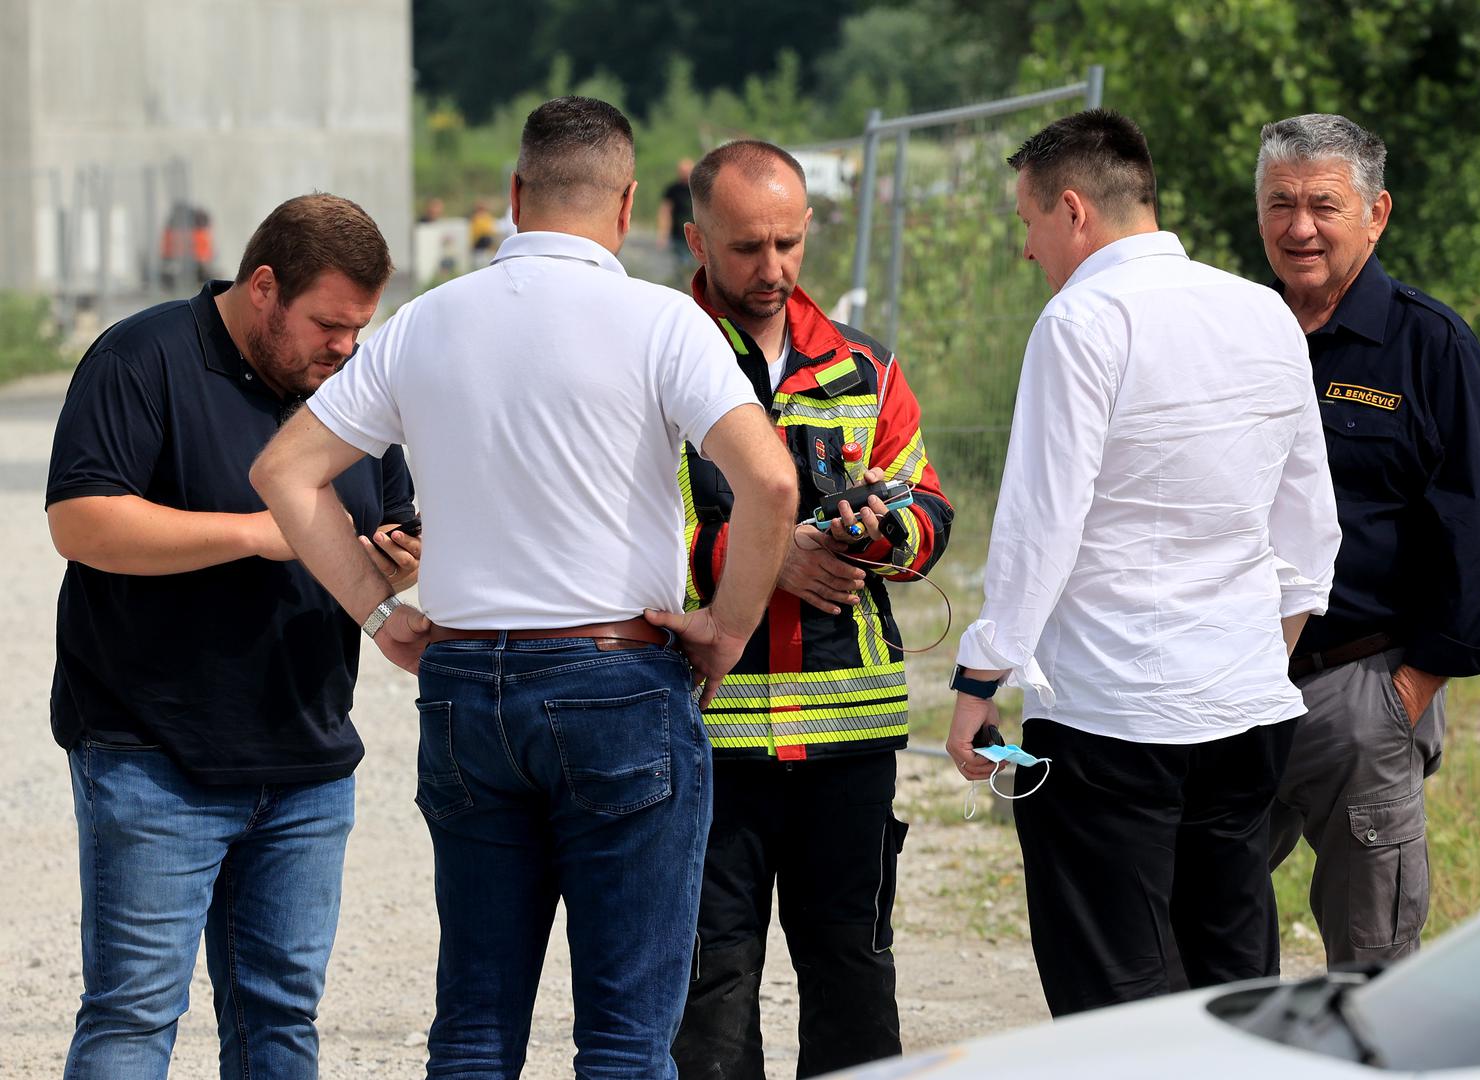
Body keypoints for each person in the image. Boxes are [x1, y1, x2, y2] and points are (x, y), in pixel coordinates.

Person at [250, 97, 798, 1078]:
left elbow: (284, 473)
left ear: (513, 195)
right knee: (626, 1041)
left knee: (473, 1028)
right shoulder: (662, 322)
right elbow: (768, 480)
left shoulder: (425, 324)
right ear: (629, 204)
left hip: (466, 690)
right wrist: (724, 627)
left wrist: (378, 613)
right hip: (617, 680)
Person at [944, 109, 1342, 1018]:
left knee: (1117, 996)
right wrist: (1256, 654)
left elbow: (1042, 525)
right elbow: (1311, 527)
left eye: (1028, 222)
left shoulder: (1080, 320)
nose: (1028, 248)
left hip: (1108, 718)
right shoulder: (1262, 311)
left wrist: (982, 674)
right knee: (1236, 983)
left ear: (1074, 211)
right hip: (1245, 708)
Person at [46, 193, 417, 1078]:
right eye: (328, 324)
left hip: (306, 764)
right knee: (135, 1015)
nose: (344, 348)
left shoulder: (355, 388)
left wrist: (396, 561)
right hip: (152, 753)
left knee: (281, 1023)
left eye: (359, 328)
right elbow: (81, 521)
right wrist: (255, 531)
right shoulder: (143, 357)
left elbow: (388, 520)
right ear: (263, 289)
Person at [670, 140, 955, 1079]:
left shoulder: (864, 369)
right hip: (711, 736)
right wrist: (763, 561)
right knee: (710, 991)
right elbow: (620, 539)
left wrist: (874, 533)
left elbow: (929, 516)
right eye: (748, 248)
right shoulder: (656, 357)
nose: (774, 269)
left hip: (852, 733)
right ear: (694, 237)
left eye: (789, 243)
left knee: (853, 976)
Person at [1256, 114, 1480, 966]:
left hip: (1358, 690)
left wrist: (1409, 689)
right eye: (1280, 204)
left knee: (1371, 970)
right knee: (1196, 931)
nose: (1300, 227)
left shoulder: (1429, 344)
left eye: (1324, 205)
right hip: (1229, 691)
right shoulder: (1236, 332)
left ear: (1377, 212)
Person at [658, 157, 696, 271]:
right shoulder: (672, 189)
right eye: (682, 171)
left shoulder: (698, 189)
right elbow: (665, 211)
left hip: (697, 233)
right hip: (678, 234)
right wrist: (663, 234)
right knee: (682, 265)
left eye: (687, 171)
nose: (685, 174)